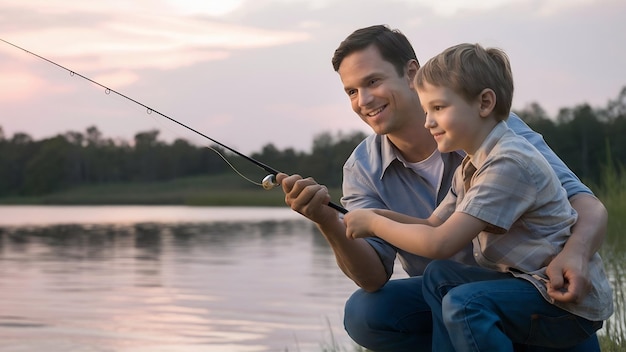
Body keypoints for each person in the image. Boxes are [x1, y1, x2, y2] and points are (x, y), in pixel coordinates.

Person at [276, 25, 608, 352]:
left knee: (463, 302)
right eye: (351, 91)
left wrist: (574, 254)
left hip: (543, 292)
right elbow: (379, 271)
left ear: (411, 73)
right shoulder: (366, 167)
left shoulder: (495, 137)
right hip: (469, 296)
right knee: (376, 308)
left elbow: (586, 204)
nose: (363, 100)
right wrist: (328, 220)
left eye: (373, 81)